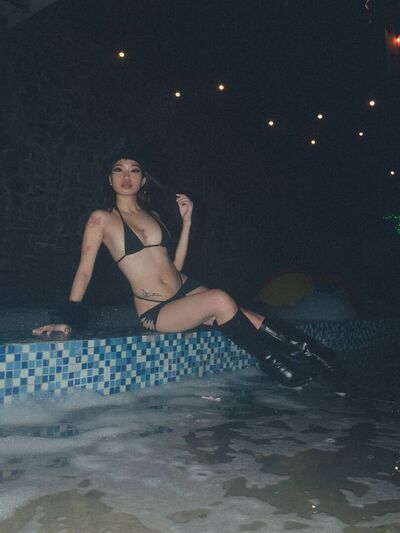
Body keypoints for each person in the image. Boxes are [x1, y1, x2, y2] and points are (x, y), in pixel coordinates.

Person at [33, 158, 346, 392]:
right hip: (156, 309)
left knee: (247, 316)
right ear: (110, 178)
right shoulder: (101, 219)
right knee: (221, 300)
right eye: (119, 169)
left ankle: (320, 357)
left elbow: (174, 265)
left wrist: (187, 222)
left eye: (134, 170)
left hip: (184, 288)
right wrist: (68, 317)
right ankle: (275, 365)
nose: (126, 176)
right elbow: (84, 269)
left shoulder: (153, 215)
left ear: (143, 179)